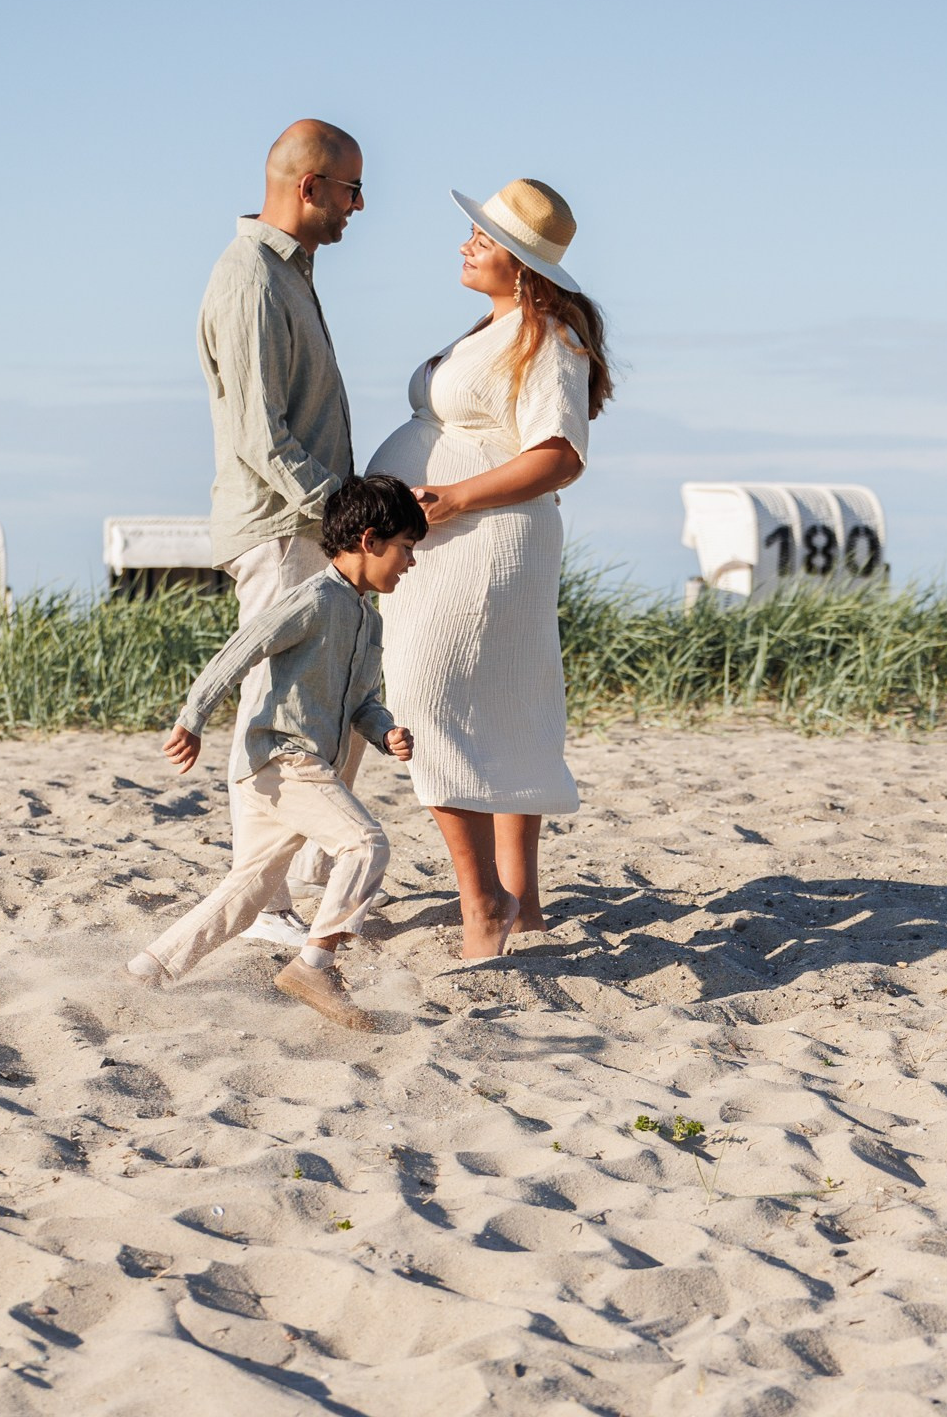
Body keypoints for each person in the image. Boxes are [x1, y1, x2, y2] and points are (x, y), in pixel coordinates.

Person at [367, 180, 616, 961]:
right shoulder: (498, 327)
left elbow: (560, 455)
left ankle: (485, 906)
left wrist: (452, 499)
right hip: (450, 540)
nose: (468, 243)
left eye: (484, 236)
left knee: (425, 699)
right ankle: (526, 908)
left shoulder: (548, 337)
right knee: (501, 709)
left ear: (523, 264)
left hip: (484, 542)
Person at [125, 476, 427, 1030]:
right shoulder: (313, 598)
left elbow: (363, 700)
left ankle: (148, 970)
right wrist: (192, 719)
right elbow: (241, 649)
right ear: (369, 539)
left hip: (289, 771)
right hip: (284, 758)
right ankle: (315, 964)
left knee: (248, 892)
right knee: (364, 844)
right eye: (407, 547)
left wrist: (385, 732)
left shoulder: (368, 619)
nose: (411, 562)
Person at [196, 118, 367, 952]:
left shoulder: (287, 274)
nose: (359, 208)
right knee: (270, 713)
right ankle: (261, 902)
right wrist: (349, 514)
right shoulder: (251, 279)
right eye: (350, 190)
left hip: (302, 528)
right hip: (282, 529)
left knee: (308, 710)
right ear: (310, 188)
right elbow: (261, 439)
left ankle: (282, 891)